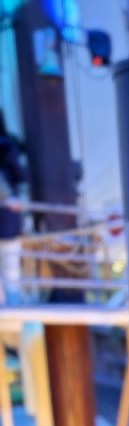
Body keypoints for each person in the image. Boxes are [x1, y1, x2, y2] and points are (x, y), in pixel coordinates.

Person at [0, 110, 27, 306]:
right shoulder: (8, 146)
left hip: (7, 215)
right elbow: (20, 175)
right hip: (8, 217)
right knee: (11, 268)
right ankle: (13, 305)